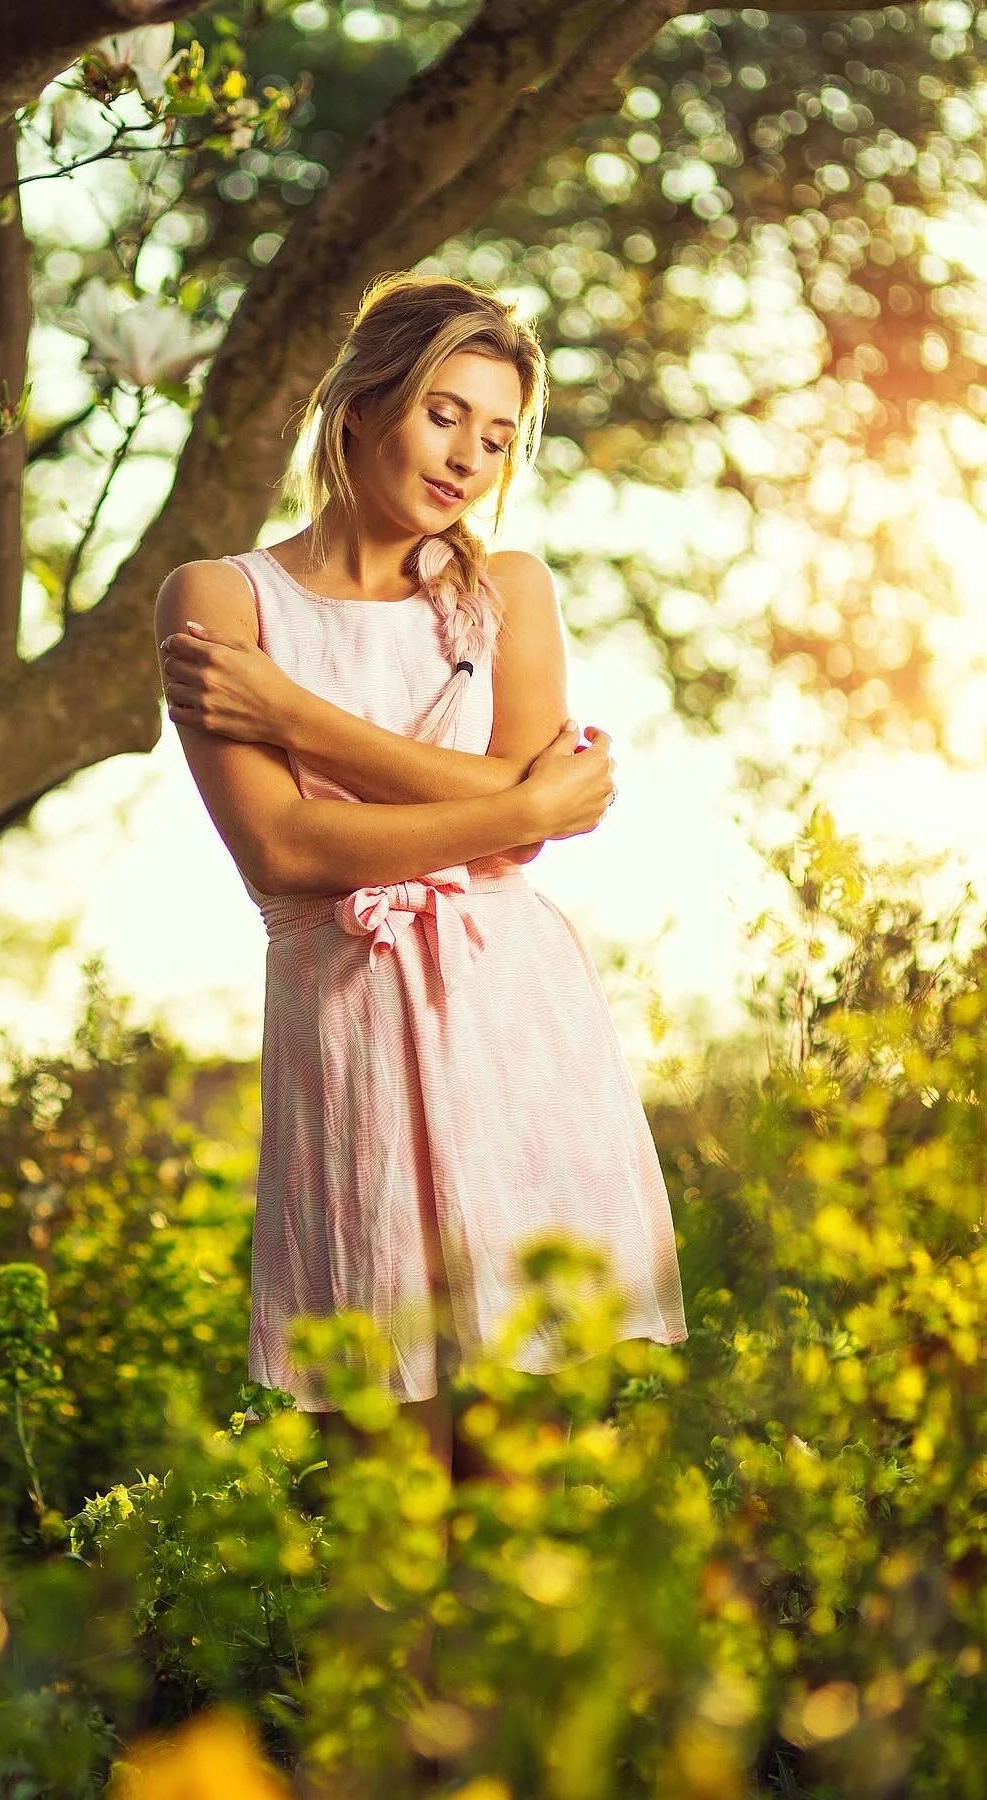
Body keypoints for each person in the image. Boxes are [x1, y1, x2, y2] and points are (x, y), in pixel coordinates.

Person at [154, 272, 687, 1484]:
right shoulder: (222, 598)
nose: (468, 459)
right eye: (445, 414)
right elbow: (284, 850)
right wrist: (513, 805)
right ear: (361, 407)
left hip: (512, 1016)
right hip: (349, 1025)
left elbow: (516, 842)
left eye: (497, 436)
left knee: (521, 1469)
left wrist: (297, 717)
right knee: (385, 1466)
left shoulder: (508, 591)